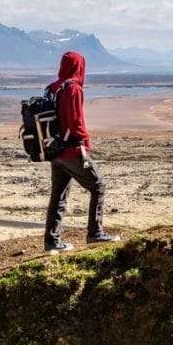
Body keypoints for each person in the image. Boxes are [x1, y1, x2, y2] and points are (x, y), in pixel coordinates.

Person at [44, 51, 120, 253]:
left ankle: (51, 241)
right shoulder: (73, 88)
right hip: (71, 151)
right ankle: (95, 233)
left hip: (55, 152)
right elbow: (76, 123)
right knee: (98, 186)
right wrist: (85, 142)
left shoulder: (52, 88)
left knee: (58, 195)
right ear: (79, 67)